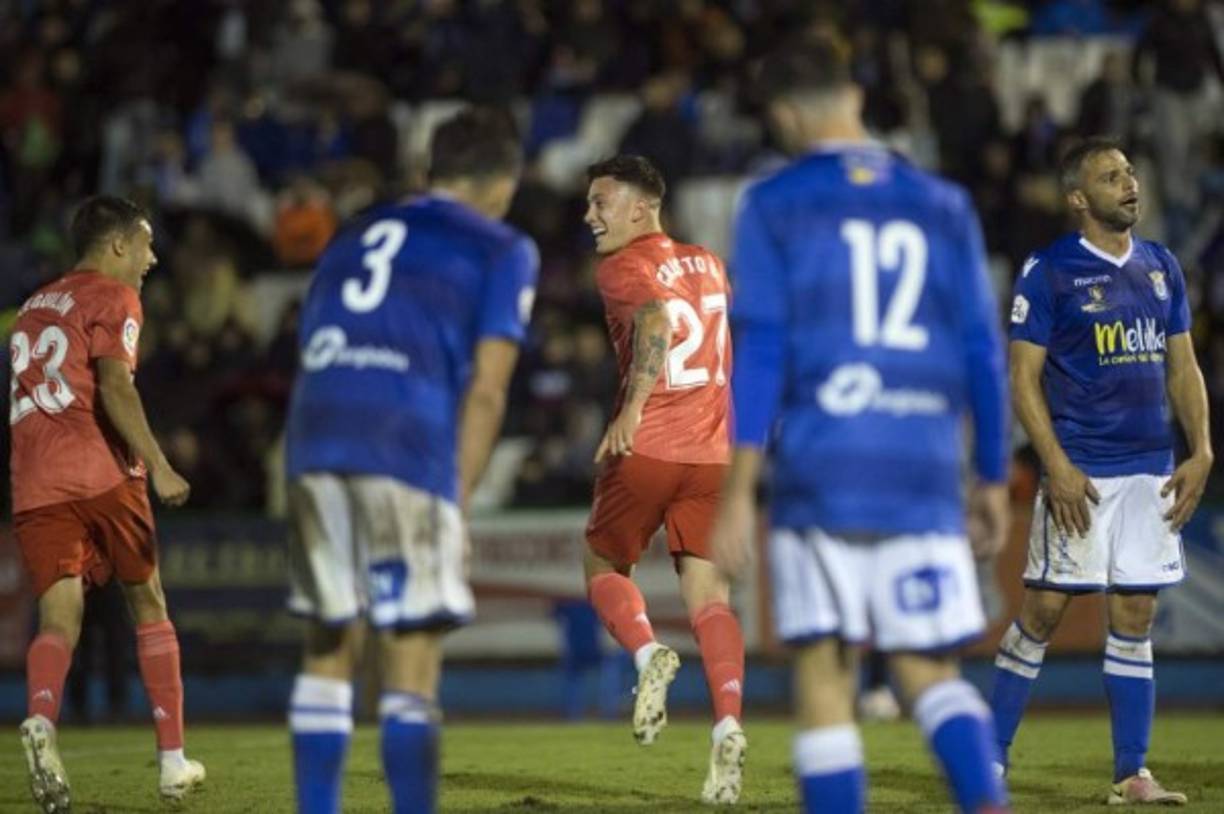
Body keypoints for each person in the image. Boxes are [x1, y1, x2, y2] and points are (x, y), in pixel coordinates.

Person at [711, 36, 1012, 814]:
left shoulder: (773, 203)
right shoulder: (942, 202)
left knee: (824, 675)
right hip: (920, 465)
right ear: (852, 95)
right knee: (927, 672)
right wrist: (990, 478)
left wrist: (740, 490)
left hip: (823, 467)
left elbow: (765, 348)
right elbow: (983, 349)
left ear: (783, 112)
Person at [283, 106, 537, 814]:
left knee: (329, 648)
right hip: (403, 435)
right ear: (505, 180)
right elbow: (487, 392)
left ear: (431, 170)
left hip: (316, 430)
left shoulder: (355, 232)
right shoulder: (501, 245)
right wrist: (453, 496)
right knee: (411, 662)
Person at [991, 136, 1211, 805]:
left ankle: (1131, 773)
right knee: (1046, 609)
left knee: (1137, 611)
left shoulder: (1161, 266)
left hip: (1152, 470)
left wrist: (1202, 449)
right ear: (1079, 198)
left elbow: (1182, 365)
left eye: (1131, 172)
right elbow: (1022, 378)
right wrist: (1054, 464)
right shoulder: (1050, 270)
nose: (1130, 183)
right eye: (1112, 176)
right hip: (1081, 472)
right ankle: (989, 764)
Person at [11, 195, 205, 812]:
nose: (151, 258)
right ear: (117, 244)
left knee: (58, 621)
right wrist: (163, 464)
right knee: (148, 602)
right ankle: (174, 763)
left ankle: (42, 720)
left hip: (35, 480)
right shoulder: (115, 296)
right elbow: (116, 386)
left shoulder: (34, 305)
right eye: (145, 244)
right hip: (99, 469)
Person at [582, 154, 747, 804]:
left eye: (601, 202)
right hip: (715, 455)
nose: (589, 215)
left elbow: (654, 321)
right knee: (711, 599)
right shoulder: (709, 261)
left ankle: (649, 654)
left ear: (642, 208)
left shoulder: (621, 266)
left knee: (599, 565)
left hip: (649, 445)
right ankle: (728, 722)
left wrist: (631, 406)